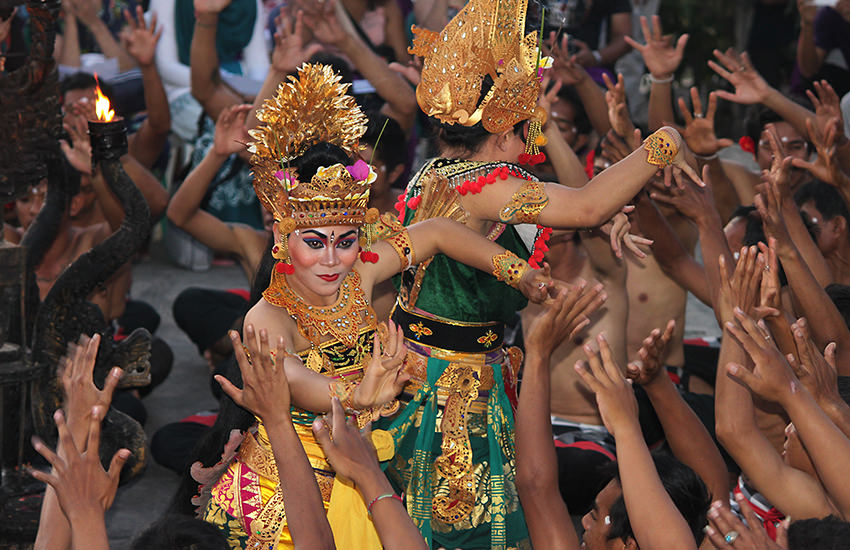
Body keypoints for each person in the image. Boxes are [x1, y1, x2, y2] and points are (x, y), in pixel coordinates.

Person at [196, 62, 554, 549]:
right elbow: (299, 385)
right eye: (315, 242)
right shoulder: (267, 317)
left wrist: (519, 273)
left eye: (345, 241)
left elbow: (439, 233)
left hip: (361, 476)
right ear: (282, 235)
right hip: (281, 498)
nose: (330, 259)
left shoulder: (360, 272)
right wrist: (362, 395)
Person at [383, 0, 699, 545]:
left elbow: (582, 202)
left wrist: (596, 209)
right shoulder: (486, 185)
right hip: (452, 392)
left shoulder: (436, 173)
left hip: (438, 373)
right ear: (506, 122)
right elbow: (584, 206)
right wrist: (663, 141)